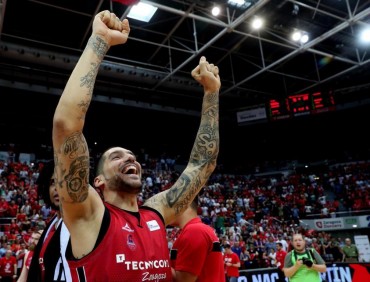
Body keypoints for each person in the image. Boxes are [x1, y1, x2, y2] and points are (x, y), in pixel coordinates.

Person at [52, 10, 220, 282]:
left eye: (131, 156)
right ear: (98, 181)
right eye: (116, 157)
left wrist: (211, 94)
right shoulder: (90, 214)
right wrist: (99, 42)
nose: (130, 159)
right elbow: (66, 126)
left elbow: (203, 164)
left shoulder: (155, 212)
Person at [27, 160, 71, 281]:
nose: (57, 188)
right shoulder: (52, 224)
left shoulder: (80, 223)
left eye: (62, 182)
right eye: (52, 183)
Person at [169, 196, 225, 281]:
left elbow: (184, 280)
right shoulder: (196, 229)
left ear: (183, 205)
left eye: (169, 205)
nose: (165, 210)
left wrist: (158, 263)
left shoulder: (194, 230)